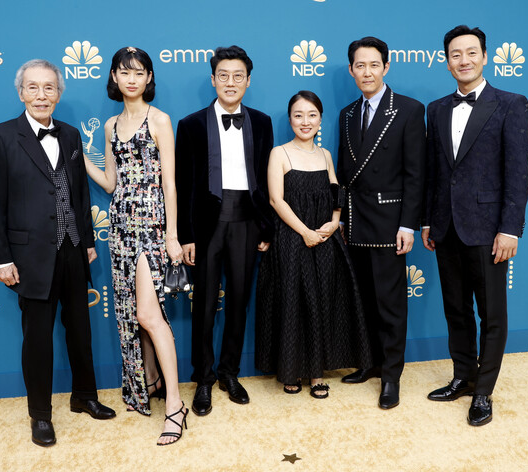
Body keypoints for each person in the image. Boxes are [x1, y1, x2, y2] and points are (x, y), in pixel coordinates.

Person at [0, 59, 116, 447]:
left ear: (59, 93)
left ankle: (84, 396)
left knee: (80, 331)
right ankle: (40, 415)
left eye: (49, 88)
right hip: (30, 256)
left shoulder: (71, 135)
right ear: (21, 92)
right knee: (38, 338)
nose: (41, 95)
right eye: (33, 87)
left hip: (72, 248)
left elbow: (80, 194)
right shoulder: (0, 137)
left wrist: (87, 242)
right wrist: (2, 258)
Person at [422, 25, 528, 426]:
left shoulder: (511, 104)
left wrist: (510, 228)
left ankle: (483, 391)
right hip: (446, 226)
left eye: (471, 53)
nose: (463, 60)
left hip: (489, 229)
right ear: (446, 61)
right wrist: (427, 221)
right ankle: (463, 376)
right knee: (456, 309)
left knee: (492, 313)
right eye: (455, 54)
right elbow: (435, 172)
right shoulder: (436, 108)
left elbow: (519, 172)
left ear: (485, 57)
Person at [83, 47, 187, 445]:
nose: (131, 79)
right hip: (120, 227)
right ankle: (151, 382)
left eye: (139, 72)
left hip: (152, 227)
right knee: (132, 314)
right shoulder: (110, 126)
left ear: (148, 78)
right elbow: (111, 183)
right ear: (113, 76)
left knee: (147, 314)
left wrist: (172, 235)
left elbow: (170, 184)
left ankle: (175, 404)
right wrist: (81, 158)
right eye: (124, 72)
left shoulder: (159, 120)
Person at [175, 45, 274, 416]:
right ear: (213, 80)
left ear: (248, 81)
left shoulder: (262, 122)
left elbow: (264, 179)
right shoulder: (191, 125)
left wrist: (266, 226)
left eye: (238, 76)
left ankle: (229, 372)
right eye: (223, 76)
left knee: (238, 300)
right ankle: (202, 377)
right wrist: (186, 235)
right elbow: (184, 184)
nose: (230, 82)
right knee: (203, 304)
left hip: (247, 220)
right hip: (206, 225)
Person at [255, 91, 372, 399]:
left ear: (320, 120)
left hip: (324, 240)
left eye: (311, 115)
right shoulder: (279, 153)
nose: (305, 121)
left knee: (321, 303)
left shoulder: (325, 155)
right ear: (290, 119)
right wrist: (304, 232)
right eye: (298, 115)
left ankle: (318, 373)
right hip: (291, 240)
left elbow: (337, 193)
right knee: (293, 304)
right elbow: (276, 200)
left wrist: (335, 222)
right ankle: (291, 370)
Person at [337, 37, 426, 409]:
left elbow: (416, 174)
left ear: (386, 67)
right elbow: (345, 172)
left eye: (374, 64)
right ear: (351, 70)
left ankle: (391, 376)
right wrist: (342, 218)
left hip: (390, 224)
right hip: (356, 222)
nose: (367, 72)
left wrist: (408, 225)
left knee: (390, 304)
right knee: (364, 301)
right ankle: (370, 362)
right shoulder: (347, 114)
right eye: (360, 65)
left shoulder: (407, 109)